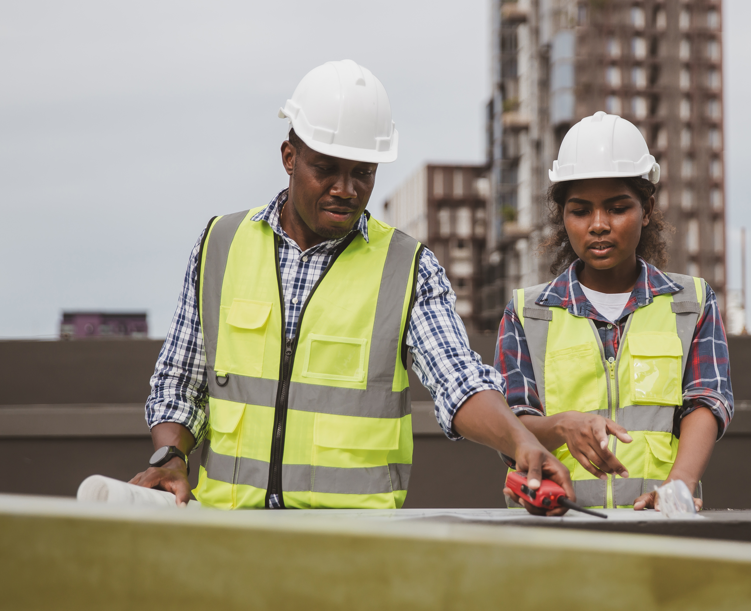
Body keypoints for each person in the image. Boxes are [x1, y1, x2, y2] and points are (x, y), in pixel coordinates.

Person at [130, 60, 572, 510]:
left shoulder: (408, 268)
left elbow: (459, 380)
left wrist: (522, 443)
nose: (345, 189)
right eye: (326, 168)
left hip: (355, 549)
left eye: (363, 172)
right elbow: (180, 384)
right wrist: (171, 455)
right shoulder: (219, 246)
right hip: (233, 539)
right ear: (289, 157)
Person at [497, 112, 732, 513]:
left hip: (658, 527)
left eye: (617, 207)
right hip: (554, 530)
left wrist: (678, 486)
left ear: (646, 209)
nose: (599, 225)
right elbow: (512, 423)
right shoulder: (528, 312)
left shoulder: (690, 303)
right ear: (562, 217)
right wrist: (560, 425)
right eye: (581, 210)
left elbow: (706, 400)